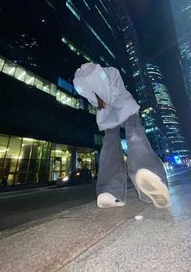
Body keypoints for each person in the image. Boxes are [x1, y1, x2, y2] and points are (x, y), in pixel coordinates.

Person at [73, 62, 171, 208]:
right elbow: (95, 100)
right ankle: (111, 191)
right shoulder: (82, 81)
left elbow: (111, 94)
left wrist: (88, 75)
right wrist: (83, 78)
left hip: (126, 107)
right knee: (109, 145)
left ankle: (154, 178)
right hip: (108, 115)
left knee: (135, 135)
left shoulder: (111, 71)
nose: (83, 67)